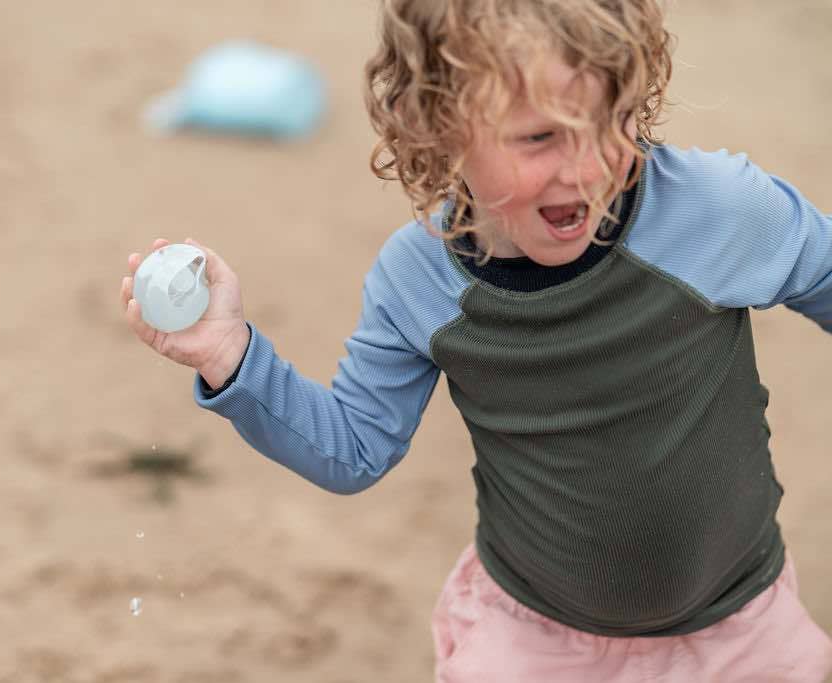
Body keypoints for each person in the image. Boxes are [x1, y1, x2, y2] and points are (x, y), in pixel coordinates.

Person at [120, 0, 832, 679]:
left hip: (738, 626)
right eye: (540, 136)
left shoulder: (716, 210)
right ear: (439, 126)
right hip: (532, 636)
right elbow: (352, 448)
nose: (585, 168)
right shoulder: (418, 280)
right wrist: (231, 357)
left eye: (609, 121)